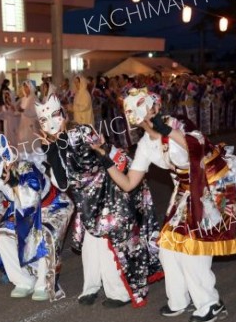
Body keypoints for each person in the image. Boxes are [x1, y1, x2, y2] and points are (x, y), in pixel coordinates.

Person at [95, 88, 236, 322]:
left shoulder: (179, 124)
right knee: (168, 246)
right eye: (131, 108)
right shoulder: (144, 145)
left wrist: (168, 131)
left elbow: (200, 150)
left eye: (143, 105)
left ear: (156, 107)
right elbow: (129, 183)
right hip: (184, 190)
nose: (139, 112)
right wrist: (105, 160)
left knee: (193, 245)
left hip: (210, 185)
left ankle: (210, 303)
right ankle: (178, 300)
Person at [35, 95, 163, 308]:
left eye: (55, 115)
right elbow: (64, 183)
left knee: (106, 247)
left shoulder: (83, 132)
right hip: (86, 203)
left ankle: (119, 292)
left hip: (108, 196)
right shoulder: (55, 144)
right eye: (43, 120)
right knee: (89, 248)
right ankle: (91, 287)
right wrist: (52, 151)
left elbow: (91, 163)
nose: (50, 123)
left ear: (65, 116)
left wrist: (60, 148)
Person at [0, 134, 74, 301]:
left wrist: (13, 182)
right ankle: (23, 279)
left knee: (43, 233)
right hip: (24, 212)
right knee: (2, 235)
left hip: (53, 207)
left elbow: (31, 201)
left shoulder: (27, 168)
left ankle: (44, 281)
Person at [17, 80, 40, 154]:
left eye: (27, 87)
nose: (25, 89)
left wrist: (23, 111)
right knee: (23, 142)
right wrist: (16, 110)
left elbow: (34, 112)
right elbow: (19, 111)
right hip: (23, 124)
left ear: (30, 87)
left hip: (31, 124)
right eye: (24, 87)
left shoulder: (34, 98)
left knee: (32, 143)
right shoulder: (23, 99)